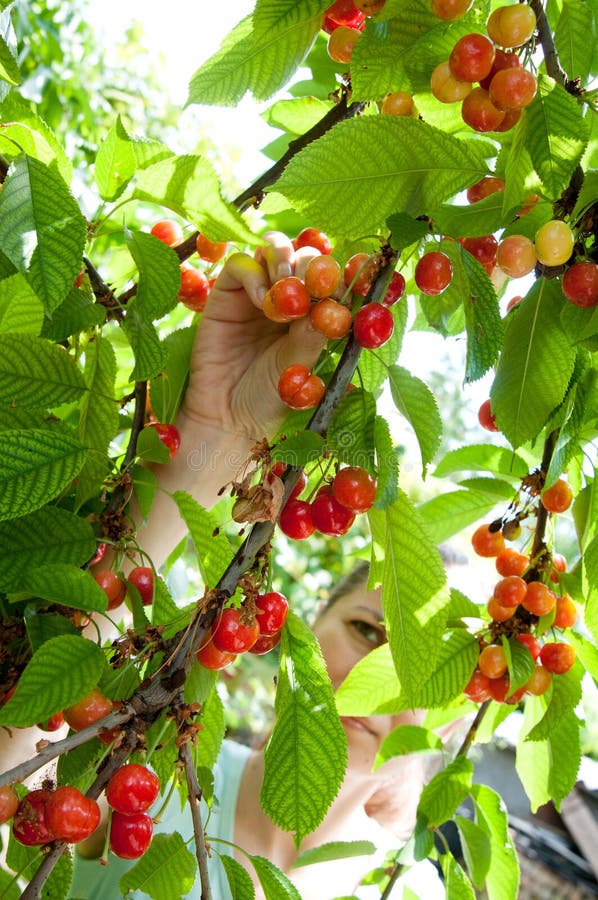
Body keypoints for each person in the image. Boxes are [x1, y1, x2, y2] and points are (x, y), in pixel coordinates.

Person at [6, 234, 446, 898]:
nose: (381, 686)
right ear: (299, 623)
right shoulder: (142, 785)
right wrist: (220, 433)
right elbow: (17, 769)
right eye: (366, 631)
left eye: (425, 680)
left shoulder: (413, 891)